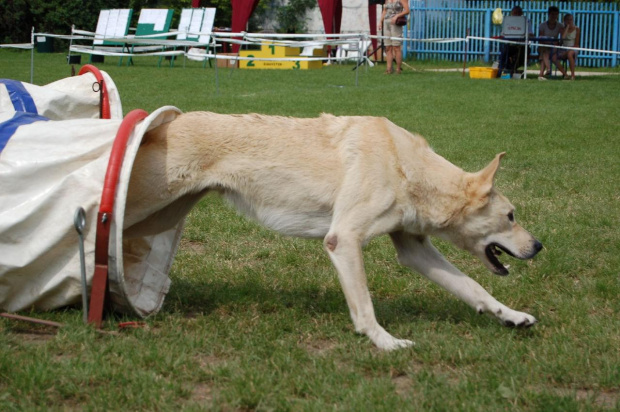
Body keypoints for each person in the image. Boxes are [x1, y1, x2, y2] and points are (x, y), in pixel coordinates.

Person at [496, 5, 533, 78]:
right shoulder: (507, 21)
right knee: (504, 51)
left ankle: (512, 69)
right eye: (515, 13)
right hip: (509, 44)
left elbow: (531, 34)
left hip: (522, 45)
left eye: (518, 13)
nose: (516, 14)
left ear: (521, 13)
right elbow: (503, 34)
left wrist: (525, 34)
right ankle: (501, 70)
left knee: (523, 53)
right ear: (511, 13)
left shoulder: (526, 21)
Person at [379, 0, 410, 74]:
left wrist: (397, 16)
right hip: (387, 22)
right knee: (388, 47)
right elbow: (384, 10)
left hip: (396, 23)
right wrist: (380, 21)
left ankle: (398, 69)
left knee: (396, 46)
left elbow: (407, 10)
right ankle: (389, 69)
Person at [538, 6, 565, 81]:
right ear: (549, 14)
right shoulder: (542, 25)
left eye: (556, 14)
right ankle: (564, 74)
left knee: (545, 54)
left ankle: (545, 72)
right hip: (544, 45)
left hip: (554, 46)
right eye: (552, 14)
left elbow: (562, 39)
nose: (554, 16)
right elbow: (540, 39)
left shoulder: (560, 25)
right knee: (545, 51)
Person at [555, 13, 580, 80]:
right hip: (563, 48)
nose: (569, 21)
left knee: (569, 54)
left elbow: (577, 44)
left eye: (571, 20)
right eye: (567, 20)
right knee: (553, 57)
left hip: (573, 48)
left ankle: (573, 75)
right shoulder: (562, 29)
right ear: (564, 21)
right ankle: (565, 74)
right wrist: (567, 28)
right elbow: (562, 39)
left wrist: (569, 50)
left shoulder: (577, 29)